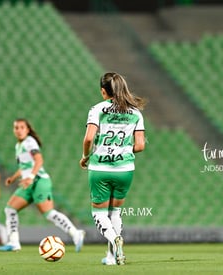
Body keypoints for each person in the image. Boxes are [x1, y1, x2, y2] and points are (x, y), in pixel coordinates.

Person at [79, 72, 146, 265]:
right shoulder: (135, 113)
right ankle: (111, 257)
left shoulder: (97, 109)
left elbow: (89, 139)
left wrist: (85, 157)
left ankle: (114, 239)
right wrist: (123, 148)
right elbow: (140, 146)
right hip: (125, 169)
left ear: (103, 91)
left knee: (99, 213)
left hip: (100, 167)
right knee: (115, 212)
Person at [0, 118, 85, 252]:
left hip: (39, 181)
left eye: (22, 127)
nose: (19, 130)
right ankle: (14, 242)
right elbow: (24, 166)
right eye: (16, 128)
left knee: (49, 213)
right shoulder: (18, 146)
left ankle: (75, 233)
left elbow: (39, 161)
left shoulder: (30, 142)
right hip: (27, 183)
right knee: (10, 209)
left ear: (27, 130)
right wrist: (13, 178)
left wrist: (31, 177)